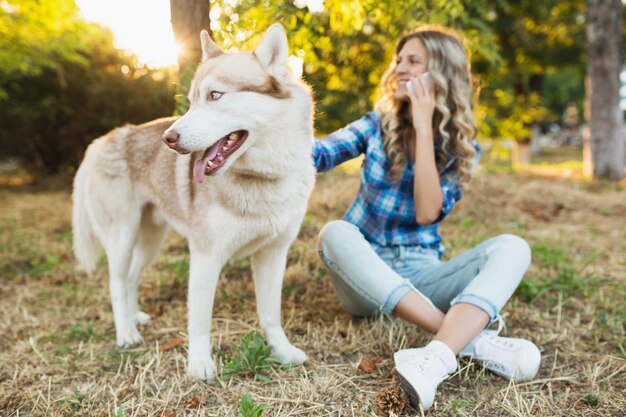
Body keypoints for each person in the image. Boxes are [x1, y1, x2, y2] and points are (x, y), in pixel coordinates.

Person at [313, 25, 541, 411]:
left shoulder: (460, 147)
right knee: (335, 232)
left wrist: (422, 125)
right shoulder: (375, 124)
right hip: (364, 276)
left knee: (513, 247)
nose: (400, 68)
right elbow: (318, 155)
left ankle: (433, 360)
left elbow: (425, 212)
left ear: (441, 74)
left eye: (413, 61)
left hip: (421, 273)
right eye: (399, 60)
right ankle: (471, 340)